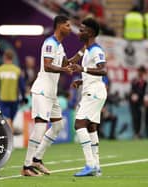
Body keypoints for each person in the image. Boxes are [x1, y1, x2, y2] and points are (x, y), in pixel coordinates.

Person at [21, 15, 85, 176]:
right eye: (68, 25)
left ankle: (37, 158)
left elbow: (66, 64)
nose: (70, 28)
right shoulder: (50, 43)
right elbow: (48, 66)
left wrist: (83, 51)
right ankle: (26, 166)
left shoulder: (60, 46)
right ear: (60, 26)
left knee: (58, 126)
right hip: (42, 90)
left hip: (51, 93)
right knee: (41, 126)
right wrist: (65, 70)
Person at [70, 17, 107, 177]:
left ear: (90, 32)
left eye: (82, 29)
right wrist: (82, 80)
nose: (79, 32)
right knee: (91, 127)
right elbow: (92, 71)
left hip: (94, 92)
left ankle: (90, 164)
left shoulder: (96, 50)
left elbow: (103, 70)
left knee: (79, 124)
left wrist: (82, 69)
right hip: (92, 89)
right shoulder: (87, 49)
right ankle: (96, 166)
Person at [0, 49, 26, 130]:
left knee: (8, 120)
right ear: (12, 58)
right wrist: (23, 98)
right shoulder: (17, 70)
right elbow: (22, 87)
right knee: (10, 120)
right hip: (14, 100)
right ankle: (11, 138)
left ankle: (10, 139)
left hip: (3, 99)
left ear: (4, 57)